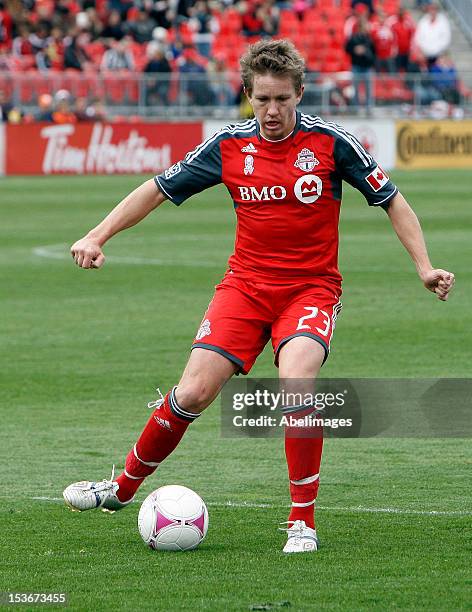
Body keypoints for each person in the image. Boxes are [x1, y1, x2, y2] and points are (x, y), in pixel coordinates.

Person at [63, 39, 454, 553]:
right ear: (248, 94)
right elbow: (157, 189)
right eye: (262, 99)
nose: (271, 111)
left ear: (300, 95)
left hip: (311, 289)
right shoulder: (227, 145)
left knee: (298, 382)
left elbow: (392, 200)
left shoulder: (333, 143)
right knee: (193, 393)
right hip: (244, 289)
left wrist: (424, 267)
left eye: (282, 100)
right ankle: (121, 489)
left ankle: (301, 523)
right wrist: (97, 235)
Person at [345, 16, 376, 112]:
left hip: (367, 67)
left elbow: (374, 52)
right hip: (356, 66)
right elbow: (347, 49)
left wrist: (365, 51)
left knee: (368, 89)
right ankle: (356, 108)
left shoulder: (369, 39)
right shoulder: (354, 38)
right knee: (356, 89)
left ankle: (368, 108)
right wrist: (355, 50)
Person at [414, 1, 451, 68]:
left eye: (434, 9)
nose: (432, 11)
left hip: (439, 54)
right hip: (425, 53)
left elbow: (446, 37)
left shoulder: (443, 21)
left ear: (437, 10)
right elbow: (418, 37)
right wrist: (422, 49)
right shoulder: (423, 21)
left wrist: (440, 50)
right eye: (430, 9)